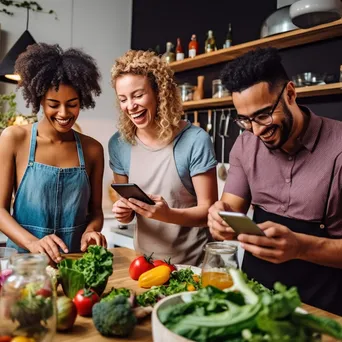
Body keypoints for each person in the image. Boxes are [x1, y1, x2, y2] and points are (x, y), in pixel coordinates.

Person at [208, 47, 342, 315]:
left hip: (321, 308)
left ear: (290, 93)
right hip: (253, 299)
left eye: (263, 115)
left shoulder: (338, 146)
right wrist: (219, 218)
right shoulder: (246, 145)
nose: (256, 131)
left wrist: (302, 246)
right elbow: (229, 207)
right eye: (245, 120)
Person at [0, 43, 107, 264]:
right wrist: (33, 243)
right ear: (39, 99)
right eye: (53, 104)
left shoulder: (93, 150)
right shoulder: (14, 139)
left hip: (75, 264)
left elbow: (95, 212)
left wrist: (91, 231)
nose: (64, 113)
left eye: (72, 104)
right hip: (24, 264)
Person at [109, 50, 217, 265]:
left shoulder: (195, 140)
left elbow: (208, 214)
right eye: (123, 99)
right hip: (144, 263)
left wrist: (167, 214)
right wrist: (123, 212)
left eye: (138, 95)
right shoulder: (119, 144)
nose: (130, 106)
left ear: (160, 92)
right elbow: (129, 208)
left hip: (192, 265)